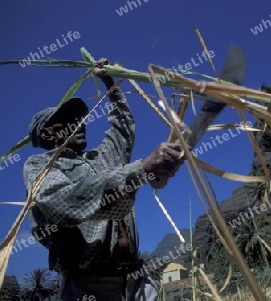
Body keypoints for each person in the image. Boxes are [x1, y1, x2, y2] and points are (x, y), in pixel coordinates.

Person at [23, 58, 184, 301]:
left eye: (81, 118)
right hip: (88, 288)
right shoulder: (40, 166)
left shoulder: (103, 159)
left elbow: (123, 128)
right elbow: (62, 202)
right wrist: (141, 169)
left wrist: (110, 81)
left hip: (136, 281)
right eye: (70, 119)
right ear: (47, 132)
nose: (81, 123)